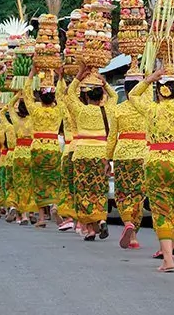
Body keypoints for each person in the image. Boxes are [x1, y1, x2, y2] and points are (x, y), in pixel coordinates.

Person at [128, 58, 174, 272]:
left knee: (160, 208)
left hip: (157, 162)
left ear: (159, 91)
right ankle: (172, 245)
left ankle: (168, 258)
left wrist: (151, 78)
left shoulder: (151, 109)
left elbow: (132, 95)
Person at [65, 65, 117, 241]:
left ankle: (91, 229)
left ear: (86, 96)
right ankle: (101, 219)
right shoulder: (107, 109)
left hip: (82, 154)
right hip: (101, 154)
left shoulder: (80, 110)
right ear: (102, 96)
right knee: (99, 189)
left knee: (84, 190)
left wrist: (79, 75)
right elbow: (115, 96)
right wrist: (105, 84)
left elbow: (69, 94)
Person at [106, 72, 149, 249]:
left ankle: (127, 223)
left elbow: (111, 137)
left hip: (123, 154)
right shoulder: (147, 108)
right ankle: (133, 236)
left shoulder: (118, 110)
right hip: (142, 154)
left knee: (123, 192)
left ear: (125, 90)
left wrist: (107, 159)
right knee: (138, 194)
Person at [23, 67, 65, 228]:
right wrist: (60, 77)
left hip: (38, 148)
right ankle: (55, 206)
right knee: (54, 179)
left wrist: (32, 72)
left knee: (39, 181)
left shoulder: (35, 109)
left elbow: (26, 94)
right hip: (54, 148)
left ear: (40, 97)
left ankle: (41, 218)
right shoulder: (58, 110)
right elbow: (62, 96)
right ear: (53, 98)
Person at [55, 76, 79, 232]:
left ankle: (70, 217)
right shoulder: (93, 109)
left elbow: (59, 97)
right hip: (91, 148)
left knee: (68, 185)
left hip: (71, 149)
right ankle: (82, 223)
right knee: (82, 187)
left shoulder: (69, 110)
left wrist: (61, 78)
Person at [8, 91, 36, 225]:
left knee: (19, 183)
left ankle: (23, 214)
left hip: (18, 153)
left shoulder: (16, 120)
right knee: (30, 184)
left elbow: (8, 106)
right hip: (30, 152)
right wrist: (28, 96)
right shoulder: (33, 119)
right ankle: (30, 212)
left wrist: (17, 95)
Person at [0, 106, 18, 223]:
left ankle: (11, 206)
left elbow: (1, 113)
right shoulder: (27, 124)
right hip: (23, 155)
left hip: (6, 159)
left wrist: (8, 105)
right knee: (23, 184)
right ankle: (25, 214)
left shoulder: (5, 130)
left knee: (8, 185)